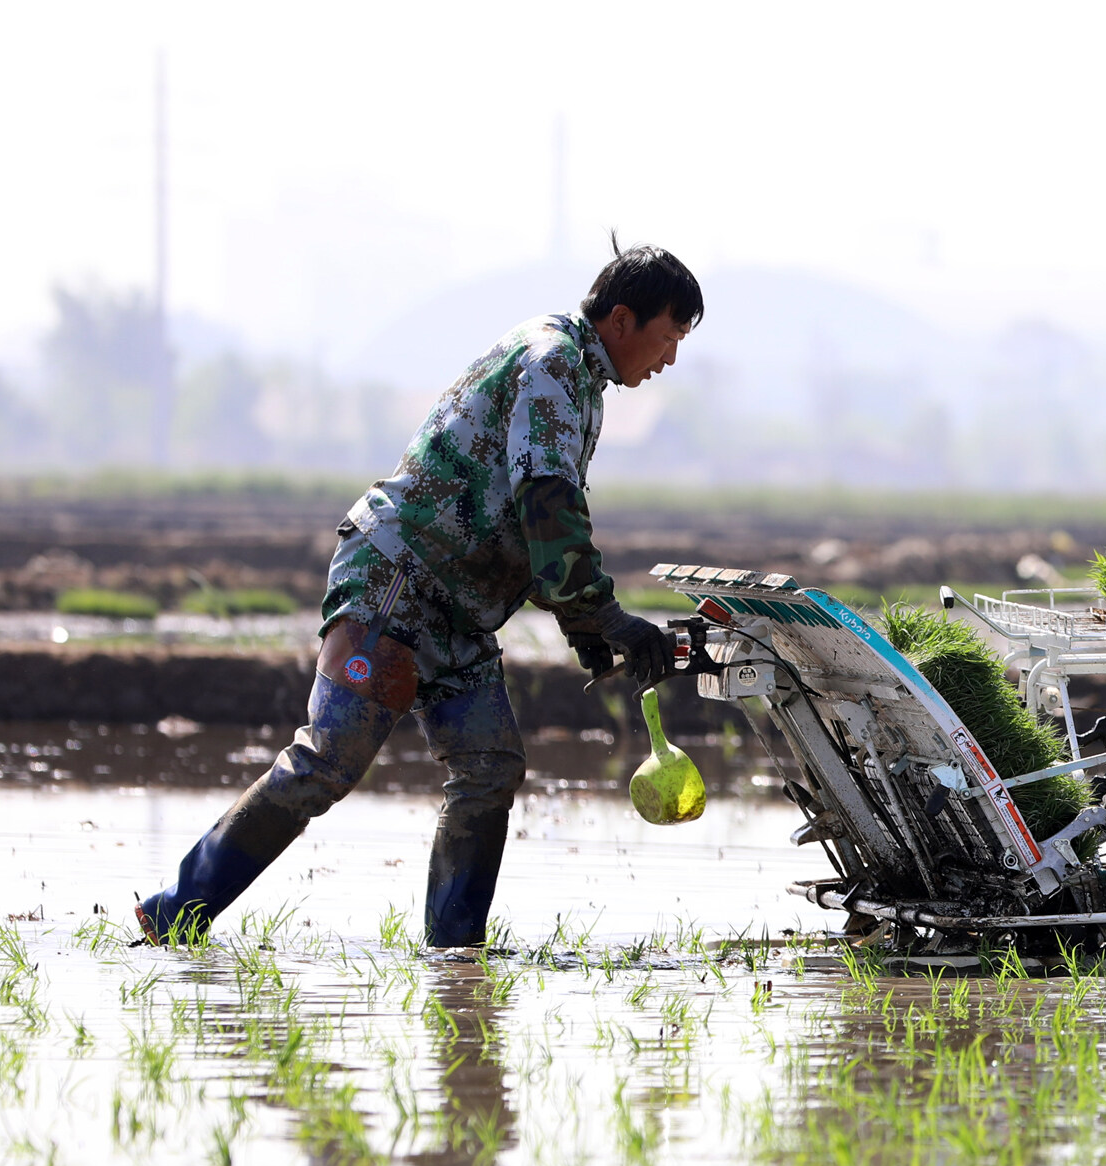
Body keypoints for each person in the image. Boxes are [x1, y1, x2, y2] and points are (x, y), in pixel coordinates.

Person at [136, 240, 701, 946]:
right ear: (623, 318)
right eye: (671, 335)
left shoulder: (578, 379)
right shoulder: (553, 364)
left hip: (457, 608)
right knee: (328, 761)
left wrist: (587, 629)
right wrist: (606, 613)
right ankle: (174, 912)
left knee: (490, 769)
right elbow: (547, 506)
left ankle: (455, 955)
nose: (671, 358)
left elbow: (524, 526)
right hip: (398, 582)